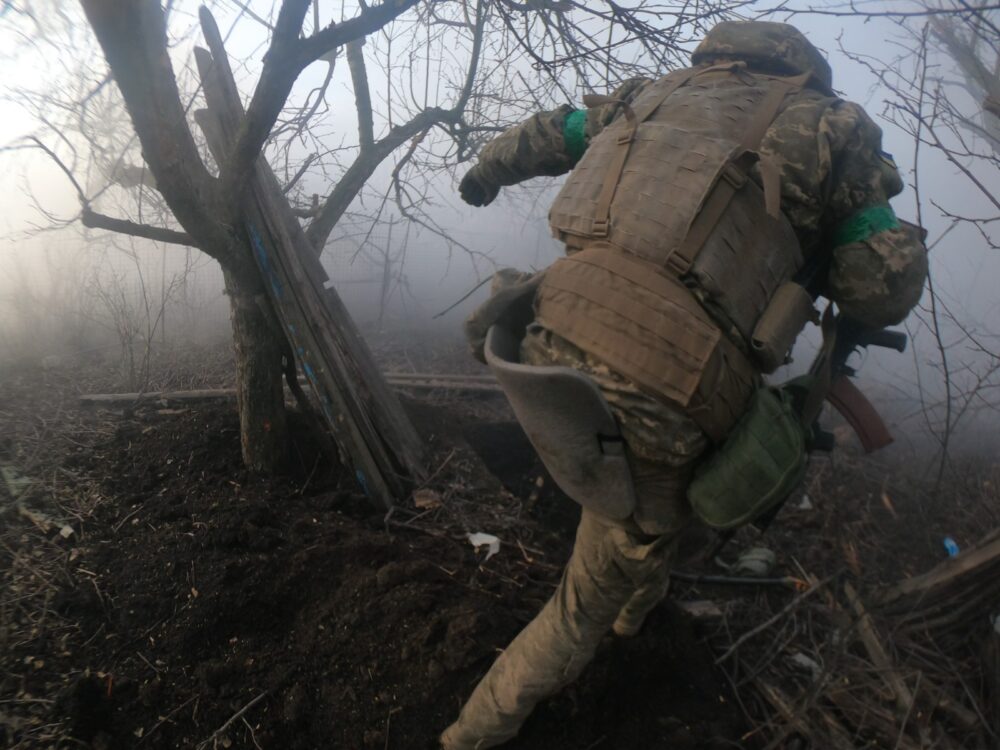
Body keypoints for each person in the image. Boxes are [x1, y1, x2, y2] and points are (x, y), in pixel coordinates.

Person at [442, 20, 928, 750]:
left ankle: (639, 606)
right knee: (583, 604)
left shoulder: (655, 93)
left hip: (539, 342)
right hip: (663, 396)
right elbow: (876, 291)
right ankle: (470, 733)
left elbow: (550, 131)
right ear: (804, 72)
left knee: (639, 522)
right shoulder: (836, 129)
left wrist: (483, 171)